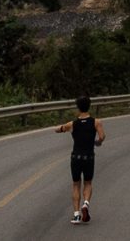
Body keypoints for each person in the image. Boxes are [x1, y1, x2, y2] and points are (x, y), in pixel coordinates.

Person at [55, 95, 105, 224]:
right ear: (89, 107)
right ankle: (86, 204)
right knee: (87, 183)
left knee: (76, 185)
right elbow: (102, 136)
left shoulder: (72, 124)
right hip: (89, 157)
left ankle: (76, 214)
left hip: (75, 158)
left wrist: (63, 129)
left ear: (78, 109)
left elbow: (57, 130)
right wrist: (97, 142)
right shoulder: (96, 122)